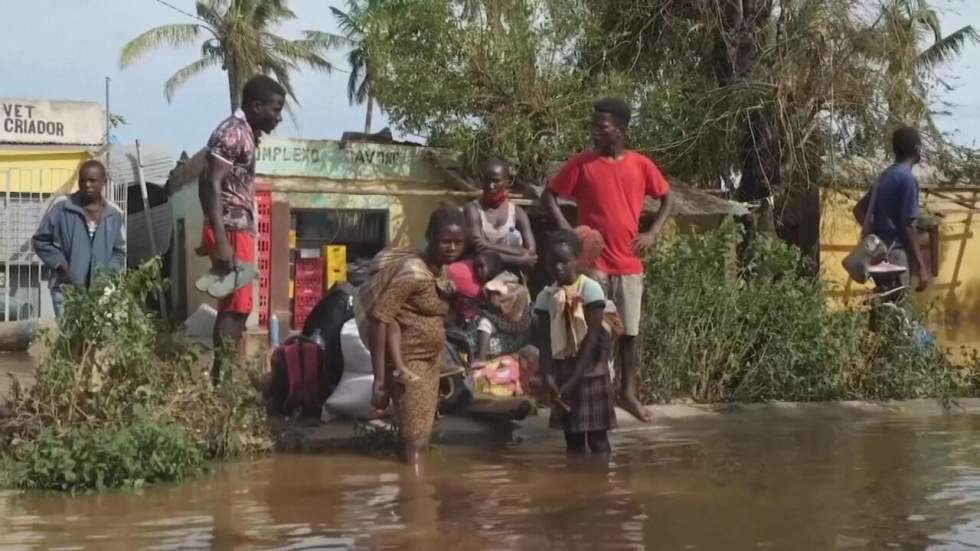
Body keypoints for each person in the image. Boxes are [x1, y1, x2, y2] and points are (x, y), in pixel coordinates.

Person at [542, 97, 673, 423]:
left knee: (628, 334)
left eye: (602, 127)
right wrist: (570, 234)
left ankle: (627, 394)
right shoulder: (582, 164)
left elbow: (667, 198)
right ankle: (582, 394)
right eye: (593, 126)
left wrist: (653, 232)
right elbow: (548, 195)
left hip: (628, 264)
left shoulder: (641, 165)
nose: (595, 132)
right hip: (593, 268)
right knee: (586, 333)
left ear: (620, 130)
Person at [354, 204, 466, 468]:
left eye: (458, 243)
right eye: (445, 241)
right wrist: (379, 380)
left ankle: (414, 495)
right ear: (430, 236)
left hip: (431, 362)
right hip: (407, 363)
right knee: (415, 440)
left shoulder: (440, 270)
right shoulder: (412, 273)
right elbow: (381, 318)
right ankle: (416, 499)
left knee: (420, 437)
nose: (452, 248)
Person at [198, 75, 285, 384]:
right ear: (256, 105)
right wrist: (220, 239)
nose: (279, 117)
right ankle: (221, 382)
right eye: (275, 110)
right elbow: (210, 181)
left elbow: (208, 180)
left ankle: (223, 378)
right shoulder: (233, 132)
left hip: (234, 227)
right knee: (236, 308)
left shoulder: (244, 133)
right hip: (232, 227)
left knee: (236, 306)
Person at [535, 229, 616, 455]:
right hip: (562, 369)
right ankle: (577, 485)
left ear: (578, 260)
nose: (558, 267)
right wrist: (549, 376)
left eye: (563, 262)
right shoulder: (546, 296)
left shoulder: (590, 289)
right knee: (572, 440)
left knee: (598, 440)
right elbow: (544, 341)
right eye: (552, 263)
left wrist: (574, 379)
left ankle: (599, 485)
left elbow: (592, 339)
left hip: (590, 369)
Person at [32, 159, 126, 318]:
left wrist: (107, 275)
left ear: (104, 181)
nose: (87, 185)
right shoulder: (62, 206)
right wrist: (61, 266)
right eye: (83, 180)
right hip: (66, 288)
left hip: (100, 292)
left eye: (92, 180)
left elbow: (119, 251)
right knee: (70, 339)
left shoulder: (114, 213)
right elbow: (40, 240)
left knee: (96, 339)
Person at [853, 126, 931, 294]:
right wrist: (921, 266)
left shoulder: (886, 176)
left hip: (879, 254)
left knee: (884, 304)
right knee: (897, 310)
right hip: (896, 255)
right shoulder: (908, 180)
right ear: (917, 150)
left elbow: (858, 210)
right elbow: (908, 227)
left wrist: (876, 235)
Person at [464, 159, 537, 271]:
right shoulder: (473, 210)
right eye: (486, 180)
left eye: (495, 181)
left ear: (507, 182)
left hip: (511, 277)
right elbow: (478, 247)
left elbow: (531, 253)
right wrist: (517, 258)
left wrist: (488, 246)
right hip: (481, 273)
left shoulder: (517, 213)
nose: (490, 186)